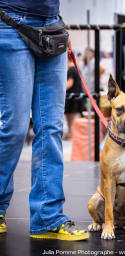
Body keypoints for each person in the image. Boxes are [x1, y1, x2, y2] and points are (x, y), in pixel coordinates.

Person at [0, 1, 89, 240]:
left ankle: (47, 218)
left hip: (51, 26)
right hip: (9, 24)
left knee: (51, 127)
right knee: (15, 127)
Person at [64, 55, 85, 140]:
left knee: (72, 117)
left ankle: (73, 134)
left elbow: (69, 84)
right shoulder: (75, 68)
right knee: (70, 116)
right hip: (73, 96)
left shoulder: (71, 70)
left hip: (74, 97)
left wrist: (58, 88)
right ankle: (70, 134)